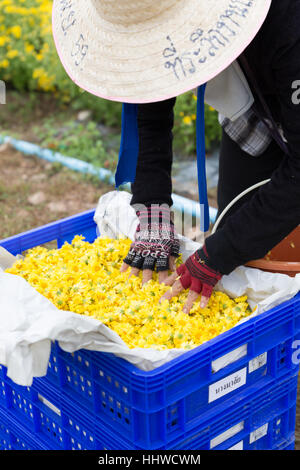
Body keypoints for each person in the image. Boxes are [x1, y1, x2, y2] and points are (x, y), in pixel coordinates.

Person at [52, 0, 300, 313]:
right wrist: (153, 209)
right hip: (250, 120)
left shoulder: (288, 17)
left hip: (285, 66)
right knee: (241, 246)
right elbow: (151, 113)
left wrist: (220, 254)